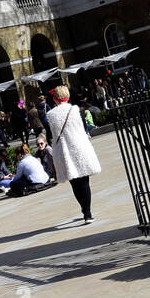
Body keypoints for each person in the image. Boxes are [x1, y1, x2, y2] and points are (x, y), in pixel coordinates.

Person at [44, 85, 102, 221]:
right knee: (84, 181)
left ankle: (84, 210)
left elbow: (50, 135)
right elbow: (84, 128)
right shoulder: (77, 110)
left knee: (74, 182)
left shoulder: (50, 115)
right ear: (67, 96)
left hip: (64, 150)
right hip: (80, 147)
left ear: (55, 98)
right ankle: (88, 212)